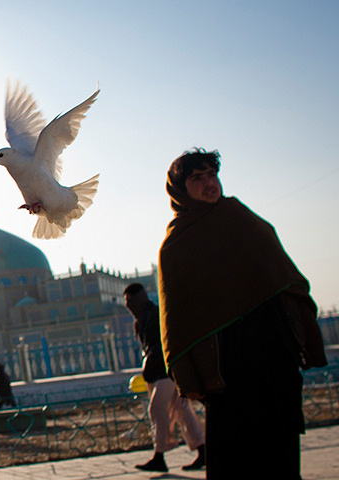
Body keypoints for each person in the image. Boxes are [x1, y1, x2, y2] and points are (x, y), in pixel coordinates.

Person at [157, 148, 327, 479]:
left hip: (274, 353)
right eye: (197, 178)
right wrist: (189, 377)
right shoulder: (178, 246)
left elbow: (285, 278)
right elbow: (176, 322)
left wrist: (303, 335)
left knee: (281, 453)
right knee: (234, 455)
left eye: (211, 175)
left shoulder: (240, 218)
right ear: (180, 189)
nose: (209, 183)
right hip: (225, 365)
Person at [123, 283, 205, 473]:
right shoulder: (143, 319)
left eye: (129, 301)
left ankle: (159, 455)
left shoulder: (153, 316)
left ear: (139, 299)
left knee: (157, 407)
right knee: (183, 410)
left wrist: (152, 361)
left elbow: (161, 344)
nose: (128, 306)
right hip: (163, 371)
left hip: (166, 371)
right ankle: (202, 449)